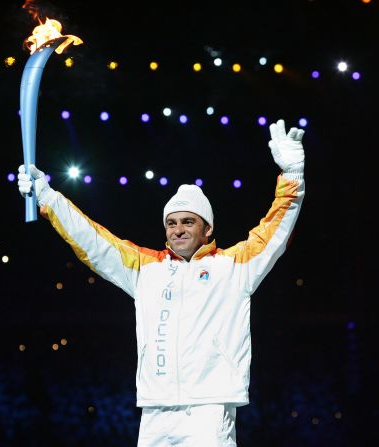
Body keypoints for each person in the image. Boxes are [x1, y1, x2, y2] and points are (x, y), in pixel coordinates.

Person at [17, 119, 305, 446]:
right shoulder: (145, 269)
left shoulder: (234, 267)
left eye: (188, 222)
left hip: (208, 408)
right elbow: (93, 240)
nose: (178, 229)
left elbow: (275, 231)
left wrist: (292, 176)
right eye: (171, 223)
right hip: (155, 409)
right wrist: (46, 195)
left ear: (206, 229)